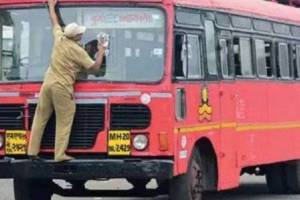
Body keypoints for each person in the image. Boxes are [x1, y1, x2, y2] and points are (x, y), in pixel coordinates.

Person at [27, 0, 106, 162]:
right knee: (65, 118)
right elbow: (95, 68)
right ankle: (60, 154)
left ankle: (32, 151)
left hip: (47, 83)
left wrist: (51, 6)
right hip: (62, 87)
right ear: (77, 36)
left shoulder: (59, 38)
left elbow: (54, 20)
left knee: (40, 117)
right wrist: (101, 51)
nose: (82, 34)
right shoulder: (77, 51)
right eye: (80, 33)